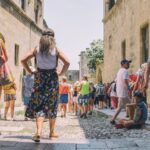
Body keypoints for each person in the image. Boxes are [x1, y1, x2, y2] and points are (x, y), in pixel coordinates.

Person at [21, 28, 70, 142]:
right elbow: (67, 62)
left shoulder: (36, 49)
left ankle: (38, 132)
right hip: (52, 78)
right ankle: (52, 133)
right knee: (52, 104)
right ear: (53, 38)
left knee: (39, 105)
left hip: (39, 78)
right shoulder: (56, 50)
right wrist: (61, 73)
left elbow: (23, 60)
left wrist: (30, 70)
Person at [110, 59, 131, 124]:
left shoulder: (119, 71)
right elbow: (125, 81)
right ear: (123, 64)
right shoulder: (125, 71)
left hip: (120, 91)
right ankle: (112, 119)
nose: (129, 64)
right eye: (127, 63)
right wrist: (128, 89)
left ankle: (130, 117)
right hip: (123, 92)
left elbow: (116, 80)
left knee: (129, 105)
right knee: (129, 106)